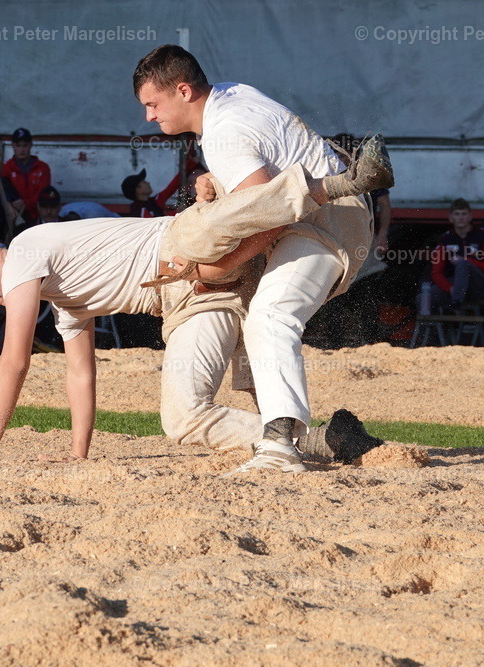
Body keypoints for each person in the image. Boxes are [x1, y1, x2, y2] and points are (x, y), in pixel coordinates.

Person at [0, 163, 380, 466]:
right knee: (252, 374)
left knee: (184, 417)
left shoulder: (24, 251)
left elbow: (15, 360)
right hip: (198, 287)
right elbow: (80, 375)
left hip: (189, 268)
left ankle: (319, 185)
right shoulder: (62, 299)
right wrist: (78, 454)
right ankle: (328, 442)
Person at [132, 44, 392, 473]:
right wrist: (213, 180)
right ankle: (299, 437)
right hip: (325, 217)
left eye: (152, 104)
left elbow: (269, 215)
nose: (149, 116)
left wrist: (220, 267)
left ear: (183, 90)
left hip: (322, 222)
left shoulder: (223, 133)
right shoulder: (232, 93)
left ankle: (279, 447)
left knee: (270, 317)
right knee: (257, 317)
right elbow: (264, 174)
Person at [424, 198, 484, 310]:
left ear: (470, 216)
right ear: (451, 217)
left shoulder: (482, 236)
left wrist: (466, 261)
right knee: (423, 298)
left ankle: (457, 302)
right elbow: (436, 273)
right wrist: (450, 289)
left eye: (464, 214)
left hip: (479, 285)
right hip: (454, 286)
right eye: (457, 214)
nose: (460, 217)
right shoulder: (445, 239)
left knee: (462, 263)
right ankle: (434, 327)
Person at [0, 128, 52, 225]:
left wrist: (25, 203)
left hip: (37, 216)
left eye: (25, 145)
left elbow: (43, 193)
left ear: (31, 145)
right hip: (14, 217)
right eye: (18, 145)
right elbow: (2, 192)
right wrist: (8, 206)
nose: (22, 149)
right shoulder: (6, 167)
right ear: (12, 146)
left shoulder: (42, 167)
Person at [123, 155, 199, 217]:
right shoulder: (139, 210)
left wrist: (191, 163)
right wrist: (177, 212)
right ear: (139, 190)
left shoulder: (154, 202)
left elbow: (173, 186)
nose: (148, 183)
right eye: (144, 182)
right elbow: (154, 225)